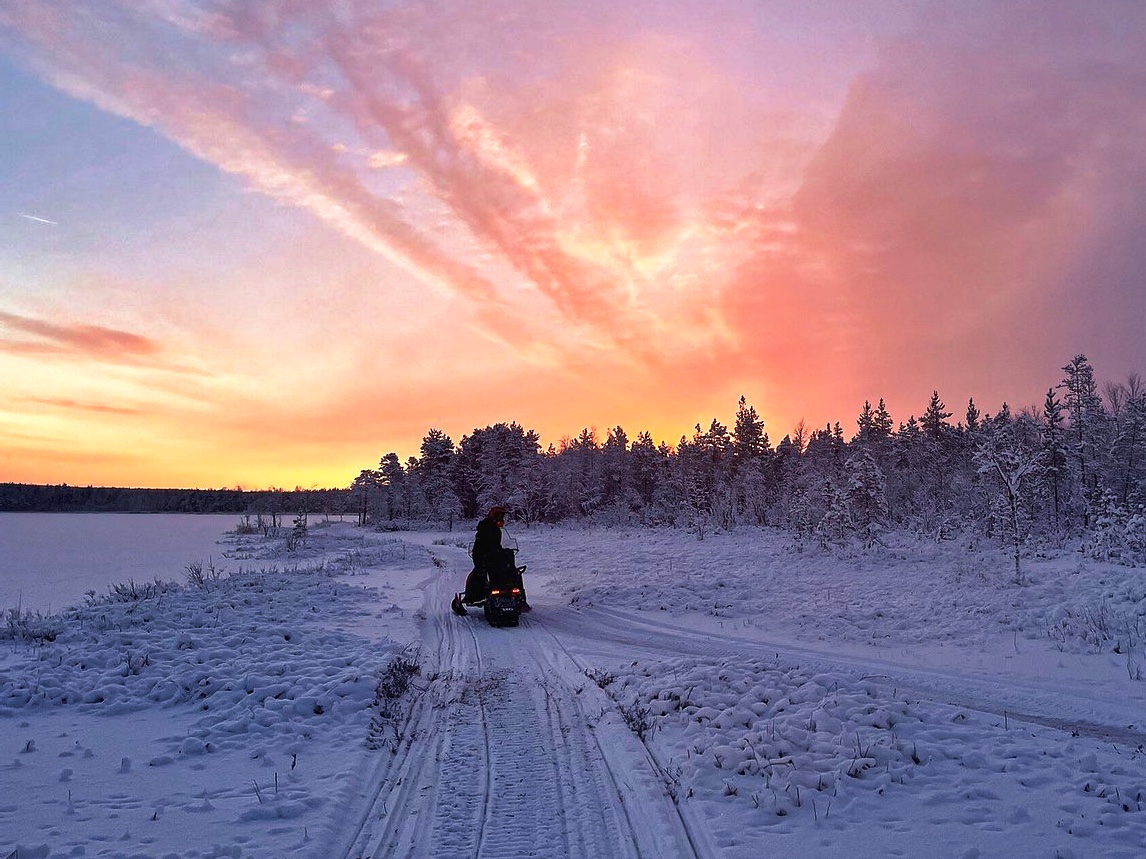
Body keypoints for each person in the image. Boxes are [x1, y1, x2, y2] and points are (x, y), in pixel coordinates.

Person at [451, 505, 529, 613]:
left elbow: (496, 544)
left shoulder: (496, 529)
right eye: (499, 515)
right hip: (484, 557)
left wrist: (504, 551)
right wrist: (487, 554)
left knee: (515, 572)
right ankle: (475, 596)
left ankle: (521, 599)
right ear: (494, 515)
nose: (501, 518)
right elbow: (483, 544)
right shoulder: (486, 527)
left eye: (502, 515)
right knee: (479, 574)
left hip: (494, 557)